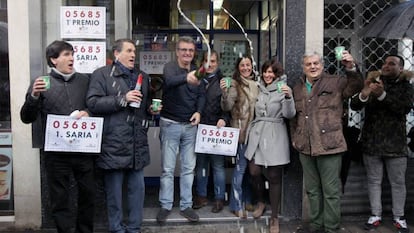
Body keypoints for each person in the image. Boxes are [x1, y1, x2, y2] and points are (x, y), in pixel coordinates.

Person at [20, 40, 95, 233]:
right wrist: (34, 96)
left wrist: (88, 112)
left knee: (87, 194)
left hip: (83, 149)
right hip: (56, 152)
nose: (71, 58)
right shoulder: (42, 82)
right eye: (66, 55)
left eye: (72, 54)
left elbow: (95, 105)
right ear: (53, 60)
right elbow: (26, 118)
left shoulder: (85, 80)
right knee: (59, 198)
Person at [86, 38, 160, 233]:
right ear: (116, 54)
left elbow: (143, 107)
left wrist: (152, 110)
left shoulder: (142, 76)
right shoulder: (101, 75)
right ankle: (117, 229)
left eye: (134, 51)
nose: (133, 55)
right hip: (113, 143)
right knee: (115, 195)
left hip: (137, 143)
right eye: (128, 51)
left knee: (138, 191)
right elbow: (93, 103)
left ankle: (134, 228)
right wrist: (121, 99)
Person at [290, 51, 363, 233]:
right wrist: (295, 138)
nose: (313, 67)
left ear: (322, 66)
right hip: (305, 146)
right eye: (309, 64)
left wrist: (351, 67)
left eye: (316, 63)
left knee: (331, 192)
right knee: (313, 191)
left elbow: (356, 86)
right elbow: (293, 117)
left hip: (330, 145)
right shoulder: (297, 87)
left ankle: (331, 227)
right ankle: (316, 224)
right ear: (303, 67)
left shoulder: (336, 82)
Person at [350, 55, 414, 233]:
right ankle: (375, 215)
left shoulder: (405, 86)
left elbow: (404, 107)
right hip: (372, 143)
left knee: (398, 182)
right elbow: (355, 106)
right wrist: (364, 93)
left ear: (400, 68)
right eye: (384, 63)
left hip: (396, 144)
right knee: (373, 181)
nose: (386, 66)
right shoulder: (373, 81)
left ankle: (399, 217)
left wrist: (382, 95)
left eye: (391, 64)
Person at [156, 36, 205, 223]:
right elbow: (169, 81)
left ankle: (186, 206)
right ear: (177, 52)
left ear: (194, 53)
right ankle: (165, 205)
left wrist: (199, 112)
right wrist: (186, 77)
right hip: (170, 124)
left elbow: (201, 95)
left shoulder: (197, 71)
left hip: (190, 126)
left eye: (190, 51)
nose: (187, 53)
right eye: (184, 50)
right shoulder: (170, 67)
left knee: (188, 169)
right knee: (167, 169)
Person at [244, 59, 295, 233]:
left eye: (272, 72)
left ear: (277, 74)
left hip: (275, 134)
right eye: (265, 71)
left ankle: (274, 217)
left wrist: (288, 97)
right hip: (258, 134)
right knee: (254, 171)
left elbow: (289, 114)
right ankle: (261, 201)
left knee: (274, 177)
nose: (268, 75)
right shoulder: (258, 88)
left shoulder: (283, 89)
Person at [220, 55, 259, 218]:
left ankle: (248, 200)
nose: (245, 68)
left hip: (256, 134)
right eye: (242, 65)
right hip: (241, 134)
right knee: (240, 169)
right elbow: (227, 106)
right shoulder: (235, 84)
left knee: (252, 171)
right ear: (238, 68)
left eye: (248, 65)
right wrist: (225, 92)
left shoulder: (257, 84)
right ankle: (236, 204)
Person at [193, 50, 229, 213]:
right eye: (207, 60)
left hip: (216, 129)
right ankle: (201, 196)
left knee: (218, 166)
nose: (210, 64)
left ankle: (219, 198)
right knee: (201, 165)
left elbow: (229, 104)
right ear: (202, 62)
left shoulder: (224, 81)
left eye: (213, 61)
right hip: (199, 128)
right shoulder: (196, 79)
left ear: (218, 63)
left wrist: (224, 118)